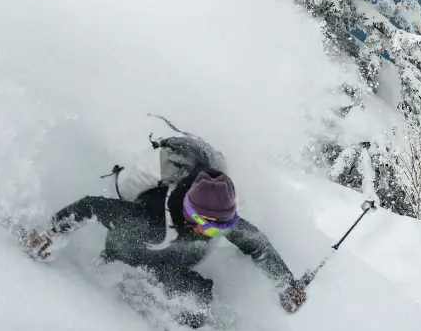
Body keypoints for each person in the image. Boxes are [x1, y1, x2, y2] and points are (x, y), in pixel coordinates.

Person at [22, 134, 306, 318]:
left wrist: (287, 284)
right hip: (133, 251)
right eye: (207, 227)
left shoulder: (214, 217)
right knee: (126, 268)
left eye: (222, 227)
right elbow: (90, 206)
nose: (213, 233)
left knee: (198, 302)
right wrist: (49, 234)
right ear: (189, 213)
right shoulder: (147, 219)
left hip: (172, 257)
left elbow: (255, 243)